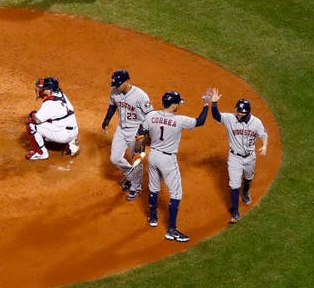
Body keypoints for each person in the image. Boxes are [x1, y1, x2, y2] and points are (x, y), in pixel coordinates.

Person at [144, 90, 210, 242]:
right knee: (176, 193)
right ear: (173, 106)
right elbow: (200, 121)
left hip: (153, 155)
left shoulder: (151, 115)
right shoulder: (180, 120)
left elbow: (142, 134)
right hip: (167, 160)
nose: (178, 106)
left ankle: (153, 217)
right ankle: (172, 230)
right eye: (177, 104)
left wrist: (140, 152)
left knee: (154, 187)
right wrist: (206, 104)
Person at [209, 89, 269, 224]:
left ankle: (246, 192)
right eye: (237, 111)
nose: (238, 113)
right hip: (234, 157)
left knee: (248, 178)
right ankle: (235, 212)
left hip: (250, 157)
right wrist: (214, 103)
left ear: (247, 112)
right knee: (234, 185)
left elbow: (264, 135)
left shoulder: (256, 122)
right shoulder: (231, 118)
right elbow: (217, 116)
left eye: (241, 112)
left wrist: (264, 146)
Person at [102, 69, 153, 201]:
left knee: (136, 160)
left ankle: (136, 187)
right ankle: (131, 177)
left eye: (119, 84)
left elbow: (150, 115)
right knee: (115, 158)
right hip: (121, 129)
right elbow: (112, 107)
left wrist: (147, 134)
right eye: (115, 84)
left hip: (137, 131)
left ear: (127, 81)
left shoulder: (141, 96)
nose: (116, 87)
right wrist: (106, 121)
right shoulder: (114, 92)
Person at [25, 76, 79, 160]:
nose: (40, 90)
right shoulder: (61, 94)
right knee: (52, 119)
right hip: (74, 131)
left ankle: (41, 153)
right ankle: (71, 145)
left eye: (42, 88)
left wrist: (32, 115)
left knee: (31, 125)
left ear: (49, 90)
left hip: (64, 135)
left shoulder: (50, 103)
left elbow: (37, 120)